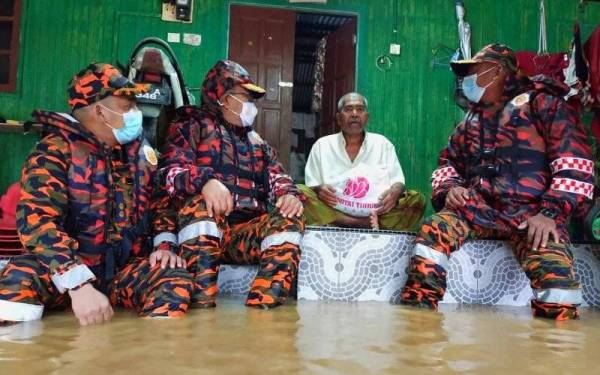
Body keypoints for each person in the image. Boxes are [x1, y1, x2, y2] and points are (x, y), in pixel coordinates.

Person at [400, 44, 594, 320]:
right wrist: (449, 190)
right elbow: (447, 164)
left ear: (497, 71)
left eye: (474, 72)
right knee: (435, 229)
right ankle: (417, 323)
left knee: (557, 287)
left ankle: (555, 351)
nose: (468, 80)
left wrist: (550, 214)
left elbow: (576, 165)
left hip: (533, 217)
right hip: (478, 210)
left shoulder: (545, 103)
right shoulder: (472, 119)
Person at [0, 63, 193, 326]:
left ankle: (147, 357)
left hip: (122, 271)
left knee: (174, 279)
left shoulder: (140, 154)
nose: (136, 113)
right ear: (101, 112)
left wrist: (164, 245)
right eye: (127, 107)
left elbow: (161, 205)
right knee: (16, 281)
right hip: (63, 272)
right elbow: (37, 222)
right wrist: (77, 283)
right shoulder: (54, 151)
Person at [156, 60, 305, 309]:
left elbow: (279, 177)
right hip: (202, 233)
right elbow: (167, 174)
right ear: (222, 98)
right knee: (200, 205)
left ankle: (263, 310)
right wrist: (205, 181)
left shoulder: (257, 143)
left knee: (289, 216)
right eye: (245, 97)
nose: (251, 106)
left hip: (242, 235)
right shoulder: (191, 125)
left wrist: (289, 194)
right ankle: (200, 307)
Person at [301, 92, 425, 231]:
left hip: (375, 211)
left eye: (360, 109)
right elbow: (311, 186)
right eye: (348, 109)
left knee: (416, 199)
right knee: (300, 193)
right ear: (338, 118)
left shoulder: (382, 144)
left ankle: (345, 223)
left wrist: (395, 191)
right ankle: (356, 222)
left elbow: (397, 181)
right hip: (333, 211)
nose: (354, 114)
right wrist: (319, 189)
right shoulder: (322, 145)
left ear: (367, 117)